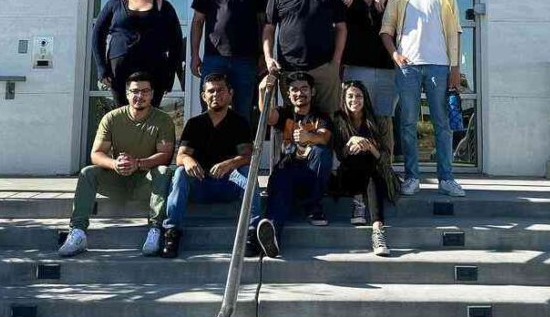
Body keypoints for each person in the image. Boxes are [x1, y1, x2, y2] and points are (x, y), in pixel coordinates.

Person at [58, 72, 175, 257]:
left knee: (163, 171)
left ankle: (155, 229)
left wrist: (138, 163)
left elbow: (166, 155)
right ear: (127, 93)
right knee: (88, 172)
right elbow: (96, 154)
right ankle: (78, 232)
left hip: (146, 180)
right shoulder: (111, 118)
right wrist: (115, 164)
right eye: (135, 91)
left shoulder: (163, 120)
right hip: (117, 178)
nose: (140, 96)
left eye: (145, 91)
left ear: (152, 94)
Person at [380, 0, 466, 198]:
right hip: (408, 67)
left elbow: (455, 31)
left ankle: (447, 178)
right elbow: (386, 30)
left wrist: (455, 68)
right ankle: (412, 177)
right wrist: (395, 55)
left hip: (439, 65)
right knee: (407, 122)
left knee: (442, 123)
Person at [159, 73, 256, 259]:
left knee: (246, 172)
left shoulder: (239, 122)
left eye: (220, 90)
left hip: (229, 184)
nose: (215, 95)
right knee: (180, 173)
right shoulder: (195, 124)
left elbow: (247, 155)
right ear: (204, 96)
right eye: (210, 91)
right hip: (201, 184)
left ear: (230, 94)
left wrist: (230, 163)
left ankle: (252, 232)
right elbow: (181, 156)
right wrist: (188, 161)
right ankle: (171, 232)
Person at [189, 0, 269, 122]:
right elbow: (198, 21)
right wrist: (194, 55)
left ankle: (241, 152)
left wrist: (263, 56)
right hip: (214, 57)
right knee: (210, 109)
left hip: (246, 59)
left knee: (244, 111)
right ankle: (209, 151)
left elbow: (263, 23)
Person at [255, 71, 334, 257]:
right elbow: (267, 116)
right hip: (287, 173)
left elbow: (324, 138)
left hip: (311, 176)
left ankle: (314, 206)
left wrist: (309, 137)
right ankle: (272, 237)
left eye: (304, 88)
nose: (300, 93)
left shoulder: (321, 117)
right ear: (289, 95)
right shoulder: (284, 113)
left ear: (313, 91)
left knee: (322, 152)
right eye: (294, 90)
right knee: (281, 178)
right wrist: (261, 90)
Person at [263, 0, 347, 116]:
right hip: (289, 69)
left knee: (330, 119)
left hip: (324, 68)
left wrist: (336, 62)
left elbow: (341, 28)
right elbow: (269, 28)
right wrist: (268, 58)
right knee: (292, 120)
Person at [326, 0, 397, 156]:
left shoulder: (386, 0)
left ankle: (385, 169)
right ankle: (353, 163)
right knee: (354, 116)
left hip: (386, 71)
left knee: (384, 119)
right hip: (355, 71)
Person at [92, 0, 183, 108]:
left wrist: (170, 75)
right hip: (119, 71)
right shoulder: (114, 4)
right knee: (122, 115)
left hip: (155, 69)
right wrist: (102, 69)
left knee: (150, 115)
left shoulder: (164, 7)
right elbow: (97, 36)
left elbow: (176, 43)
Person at [332, 80, 399, 256]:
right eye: (350, 96)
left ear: (365, 98)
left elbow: (385, 159)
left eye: (359, 96)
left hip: (376, 175)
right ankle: (362, 205)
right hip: (349, 177)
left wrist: (369, 146)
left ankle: (376, 229)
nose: (355, 100)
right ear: (344, 99)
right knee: (358, 159)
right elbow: (340, 155)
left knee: (370, 168)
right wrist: (350, 143)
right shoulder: (338, 120)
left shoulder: (378, 120)